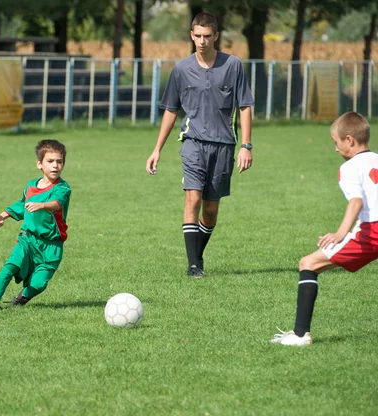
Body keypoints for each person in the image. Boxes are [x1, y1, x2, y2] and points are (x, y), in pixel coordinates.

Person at [145, 12, 254, 278]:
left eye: (207, 36)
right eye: (197, 36)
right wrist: (157, 149)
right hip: (193, 143)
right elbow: (171, 110)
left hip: (224, 146)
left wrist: (246, 146)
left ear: (216, 36)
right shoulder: (181, 69)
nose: (202, 41)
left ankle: (197, 255)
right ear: (191, 36)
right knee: (192, 198)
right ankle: (193, 265)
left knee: (211, 209)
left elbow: (245, 106)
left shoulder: (233, 65)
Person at [271, 112, 378, 346]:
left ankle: (300, 335)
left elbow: (356, 202)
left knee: (308, 263)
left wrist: (340, 233)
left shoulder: (350, 168)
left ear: (349, 140)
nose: (335, 149)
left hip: (373, 233)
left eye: (336, 142)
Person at [0, 139, 71, 312]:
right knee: (10, 266)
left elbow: (56, 204)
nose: (55, 166)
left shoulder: (63, 188)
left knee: (40, 283)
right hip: (27, 239)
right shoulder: (31, 186)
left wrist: (41, 205)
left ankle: (22, 297)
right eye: (50, 161)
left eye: (59, 162)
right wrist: (3, 215)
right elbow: (22, 205)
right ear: (39, 164)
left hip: (51, 245)